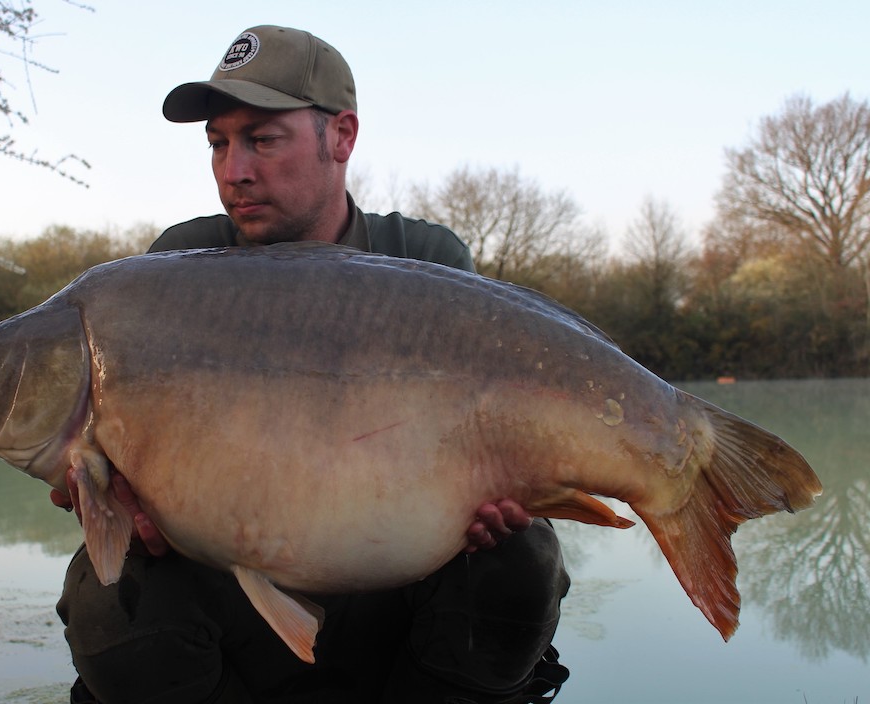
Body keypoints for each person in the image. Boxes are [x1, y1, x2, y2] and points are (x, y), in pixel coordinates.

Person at [53, 25, 570, 704]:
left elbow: (487, 445)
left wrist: (500, 494)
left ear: (342, 136)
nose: (234, 171)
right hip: (231, 580)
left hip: (395, 578)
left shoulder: (425, 260)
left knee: (523, 558)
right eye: (218, 143)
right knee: (106, 595)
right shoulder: (178, 268)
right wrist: (116, 497)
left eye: (262, 139)